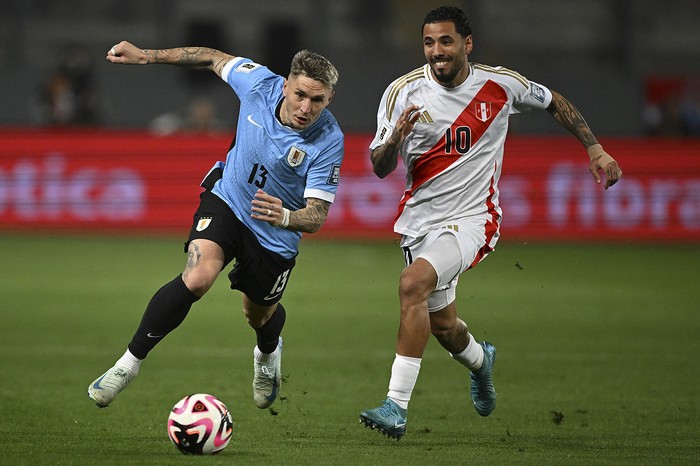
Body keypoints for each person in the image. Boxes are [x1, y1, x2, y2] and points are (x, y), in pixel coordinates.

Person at [359, 6, 622, 440]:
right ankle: (482, 362)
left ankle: (396, 406)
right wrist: (394, 140)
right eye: (429, 42)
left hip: (473, 219)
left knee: (411, 285)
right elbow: (379, 166)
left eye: (445, 41)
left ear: (467, 43)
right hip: (420, 223)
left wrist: (594, 148)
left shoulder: (500, 84)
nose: (436, 52)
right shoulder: (402, 92)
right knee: (443, 326)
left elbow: (554, 100)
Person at [88, 41, 343, 410]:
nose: (306, 108)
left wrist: (286, 216)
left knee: (258, 313)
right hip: (227, 201)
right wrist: (147, 56)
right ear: (286, 84)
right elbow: (211, 57)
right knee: (197, 276)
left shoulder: (328, 140)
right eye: (300, 94)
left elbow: (317, 215)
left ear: (329, 99)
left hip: (274, 232)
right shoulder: (257, 83)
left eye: (317, 100)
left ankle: (267, 353)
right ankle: (126, 366)